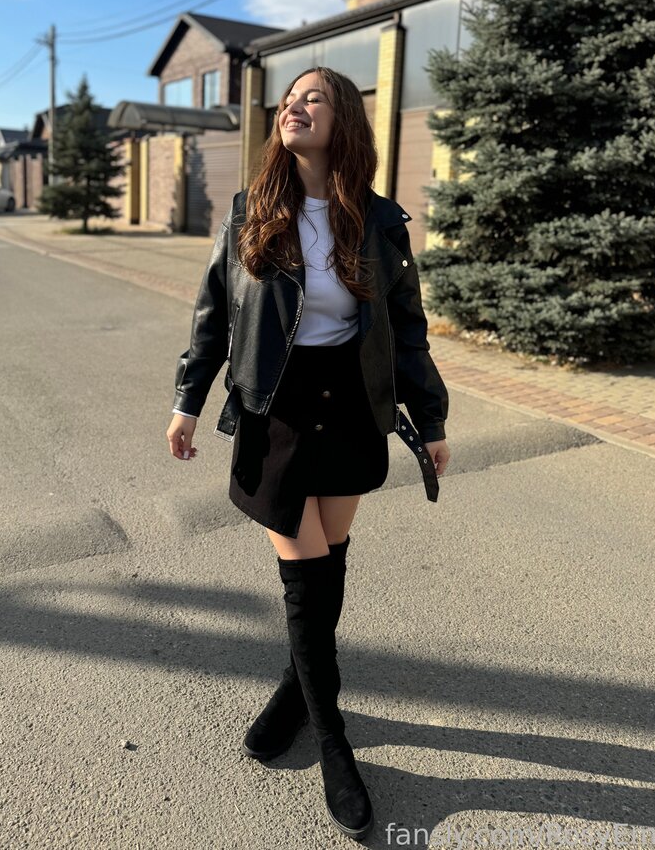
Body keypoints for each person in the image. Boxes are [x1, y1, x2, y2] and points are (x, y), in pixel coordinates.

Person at [166, 66, 450, 841]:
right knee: (304, 578)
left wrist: (429, 418)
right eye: (288, 100)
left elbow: (408, 330)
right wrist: (188, 400)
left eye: (312, 98)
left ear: (343, 120)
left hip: (352, 407)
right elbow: (214, 315)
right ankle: (333, 742)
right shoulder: (250, 212)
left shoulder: (379, 221)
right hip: (278, 410)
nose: (293, 107)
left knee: (328, 568)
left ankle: (296, 693)